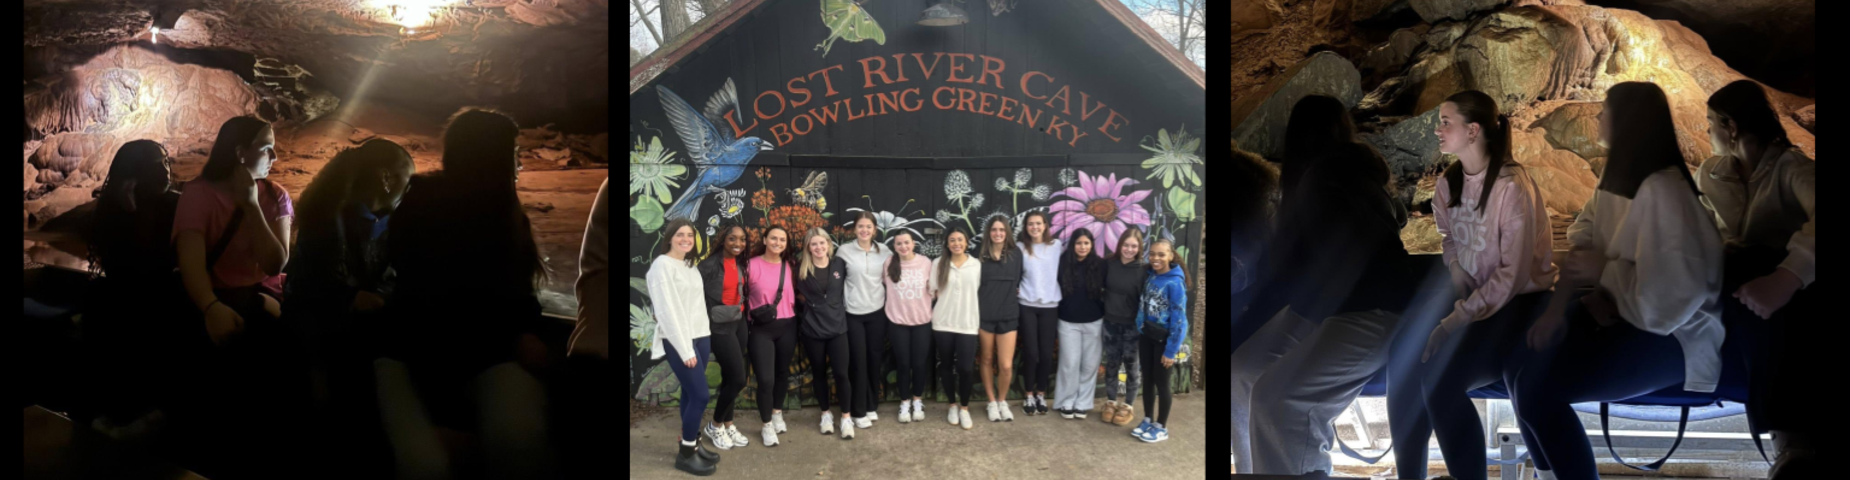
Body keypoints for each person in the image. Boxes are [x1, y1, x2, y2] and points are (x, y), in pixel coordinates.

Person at [1509, 82, 1723, 480]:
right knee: (1517, 369)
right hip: (1621, 315)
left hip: (1676, 339)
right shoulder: (1616, 179)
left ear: (1628, 122)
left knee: (1540, 391)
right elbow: (1583, 238)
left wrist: (1605, 275)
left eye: (1605, 109)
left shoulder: (1665, 192)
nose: (1597, 116)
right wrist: (1558, 312)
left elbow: (1671, 300)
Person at [1236, 95, 1416, 474]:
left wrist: (1249, 323)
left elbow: (1295, 270)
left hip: (1370, 304)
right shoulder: (1334, 175)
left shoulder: (1326, 178)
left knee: (1278, 399)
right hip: (1334, 302)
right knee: (1241, 372)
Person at [377, 108, 556, 479]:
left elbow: (513, 292)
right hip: (420, 352)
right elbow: (430, 308)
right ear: (492, 154)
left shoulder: (501, 210)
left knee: (519, 436)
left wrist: (526, 333)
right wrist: (452, 417)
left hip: (482, 347)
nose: (518, 162)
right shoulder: (430, 206)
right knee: (429, 466)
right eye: (513, 151)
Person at [1418, 90, 1557, 480]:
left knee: (1443, 379)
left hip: (1521, 305)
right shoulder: (1449, 184)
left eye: (1447, 122)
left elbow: (1511, 276)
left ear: (1474, 129)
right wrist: (1456, 266)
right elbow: (1448, 236)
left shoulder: (1512, 186)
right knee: (1428, 371)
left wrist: (1453, 322)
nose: (1438, 129)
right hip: (1477, 301)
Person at [1697, 80, 1817, 480]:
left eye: (1711, 122)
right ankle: (1790, 445)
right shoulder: (1710, 174)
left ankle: (1791, 444)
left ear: (1730, 126)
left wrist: (1788, 275)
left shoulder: (1792, 168)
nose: (1707, 131)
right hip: (1734, 284)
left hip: (1790, 291)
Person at [280, 138, 413, 474]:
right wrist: (349, 299)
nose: (407, 189)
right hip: (322, 349)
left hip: (356, 344)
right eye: (405, 179)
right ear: (386, 178)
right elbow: (304, 287)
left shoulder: (389, 222)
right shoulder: (328, 220)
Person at [84, 139, 186, 436]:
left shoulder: (177, 203)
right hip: (128, 294)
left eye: (165, 162)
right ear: (134, 171)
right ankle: (115, 411)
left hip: (160, 294)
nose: (164, 170)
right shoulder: (113, 208)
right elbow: (120, 264)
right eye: (154, 164)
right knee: (110, 304)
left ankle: (147, 413)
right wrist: (129, 213)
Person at [173, 116, 292, 344]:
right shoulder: (199, 194)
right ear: (240, 153)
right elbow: (191, 263)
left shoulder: (277, 197)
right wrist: (211, 307)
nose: (274, 157)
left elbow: (274, 264)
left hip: (257, 295)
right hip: (210, 295)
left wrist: (251, 205)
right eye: (267, 149)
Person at [644, 220, 720, 475]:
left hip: (700, 335)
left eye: (690, 235)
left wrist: (703, 337)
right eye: (680, 235)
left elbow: (695, 305)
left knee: (690, 392)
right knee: (700, 395)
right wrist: (685, 349)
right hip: (680, 340)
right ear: (669, 238)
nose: (686, 239)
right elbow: (667, 312)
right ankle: (686, 454)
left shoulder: (689, 266)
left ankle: (694, 444)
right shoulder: (662, 266)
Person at [794, 227, 854, 440]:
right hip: (812, 330)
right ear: (808, 248)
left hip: (838, 328)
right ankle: (826, 415)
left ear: (829, 244)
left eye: (822, 243)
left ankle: (846, 418)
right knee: (818, 373)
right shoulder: (800, 269)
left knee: (841, 374)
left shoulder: (839, 264)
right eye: (813, 244)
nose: (818, 247)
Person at [698, 221, 752, 450]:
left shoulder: (739, 263)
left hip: (738, 322)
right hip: (719, 326)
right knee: (738, 379)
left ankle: (727, 424)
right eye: (732, 239)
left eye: (742, 239)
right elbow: (697, 298)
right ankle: (715, 425)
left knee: (731, 378)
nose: (738, 243)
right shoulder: (709, 265)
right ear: (723, 239)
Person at [1132, 238, 1188, 443]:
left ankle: (1161, 426)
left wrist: (1171, 350)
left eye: (1161, 254)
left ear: (1171, 256)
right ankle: (1147, 418)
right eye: (1153, 254)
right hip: (1147, 335)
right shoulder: (1151, 277)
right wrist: (1141, 327)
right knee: (1147, 379)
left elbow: (1180, 319)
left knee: (1162, 384)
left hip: (1164, 340)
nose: (1156, 258)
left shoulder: (1175, 282)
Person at [746, 226, 798, 447]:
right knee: (766, 379)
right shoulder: (751, 265)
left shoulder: (790, 266)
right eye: (773, 238)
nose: (777, 242)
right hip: (761, 329)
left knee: (782, 373)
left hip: (788, 325)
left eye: (782, 240)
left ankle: (777, 412)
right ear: (765, 239)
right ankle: (766, 424)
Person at [839, 212, 892, 429]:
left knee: (873, 360)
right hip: (853, 314)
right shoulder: (844, 251)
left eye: (868, 227)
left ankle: (871, 405)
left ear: (874, 230)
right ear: (854, 229)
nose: (864, 230)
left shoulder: (885, 251)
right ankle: (858, 410)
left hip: (877, 313)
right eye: (860, 226)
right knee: (858, 362)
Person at [931, 227, 982, 430]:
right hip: (943, 322)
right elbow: (933, 292)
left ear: (967, 242)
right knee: (945, 365)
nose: (956, 243)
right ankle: (952, 405)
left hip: (968, 323)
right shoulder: (938, 264)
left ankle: (964, 408)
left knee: (966, 368)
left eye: (960, 239)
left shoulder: (976, 265)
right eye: (952, 240)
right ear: (947, 243)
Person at [975, 214, 1024, 422]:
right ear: (989, 232)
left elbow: (1019, 280)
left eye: (1001, 230)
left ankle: (1002, 401)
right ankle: (991, 402)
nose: (998, 233)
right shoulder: (979, 255)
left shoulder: (1016, 254)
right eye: (994, 230)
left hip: (1008, 315)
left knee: (1005, 365)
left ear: (1007, 233)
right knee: (986, 359)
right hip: (985, 315)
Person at [1052, 227, 1104, 419]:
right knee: (1070, 363)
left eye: (1086, 243)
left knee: (1090, 365)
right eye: (1079, 243)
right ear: (1073, 245)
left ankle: (1083, 403)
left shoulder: (1100, 265)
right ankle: (1066, 401)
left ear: (1092, 245)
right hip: (1068, 321)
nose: (1082, 247)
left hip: (1094, 321)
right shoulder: (1062, 263)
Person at [882, 230, 933, 425]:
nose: (903, 246)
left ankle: (917, 400)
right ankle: (904, 402)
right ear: (894, 246)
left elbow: (933, 288)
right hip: (898, 323)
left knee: (919, 364)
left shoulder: (925, 263)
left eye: (906, 242)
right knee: (903, 364)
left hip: (921, 323)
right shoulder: (889, 263)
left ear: (914, 243)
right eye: (899, 244)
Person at [1015, 211, 1063, 416]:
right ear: (1026, 227)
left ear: (1045, 226)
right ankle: (1028, 394)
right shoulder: (1019, 248)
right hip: (1026, 304)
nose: (1034, 227)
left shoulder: (1057, 246)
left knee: (1045, 354)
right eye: (1030, 224)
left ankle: (1041, 394)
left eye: (1038, 223)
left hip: (1050, 306)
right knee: (1031, 353)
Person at [1099, 227, 1147, 427]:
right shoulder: (1109, 264)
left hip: (1132, 327)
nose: (1129, 249)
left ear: (1139, 248)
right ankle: (1110, 401)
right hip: (1110, 322)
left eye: (1133, 246)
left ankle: (1127, 405)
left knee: (1131, 367)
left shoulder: (1144, 269)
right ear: (1120, 245)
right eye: (1126, 245)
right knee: (1111, 363)